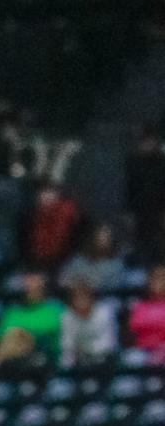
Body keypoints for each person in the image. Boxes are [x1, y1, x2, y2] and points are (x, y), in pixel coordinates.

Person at [0, 271, 63, 366]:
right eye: (27, 282)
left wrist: (25, 336)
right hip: (13, 363)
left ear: (44, 284)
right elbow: (3, 340)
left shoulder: (55, 308)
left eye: (34, 282)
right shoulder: (12, 312)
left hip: (48, 360)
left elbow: (54, 334)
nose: (30, 287)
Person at [124, 128, 165, 262]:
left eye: (150, 142)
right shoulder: (133, 162)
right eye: (144, 142)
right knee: (140, 239)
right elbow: (130, 188)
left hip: (158, 210)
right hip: (139, 210)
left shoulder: (161, 162)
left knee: (156, 239)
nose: (146, 145)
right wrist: (128, 211)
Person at [59, 220, 128, 297]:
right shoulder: (78, 261)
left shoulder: (116, 264)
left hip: (105, 301)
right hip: (77, 299)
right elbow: (63, 281)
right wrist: (79, 286)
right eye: (100, 237)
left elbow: (116, 287)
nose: (102, 241)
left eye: (106, 238)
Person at [23, 180, 80, 272]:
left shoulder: (64, 212)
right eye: (42, 193)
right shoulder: (37, 213)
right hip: (37, 259)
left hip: (56, 262)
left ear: (56, 194)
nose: (44, 196)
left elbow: (58, 239)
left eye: (49, 192)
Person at [60, 281, 117, 367]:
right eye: (77, 298)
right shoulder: (67, 316)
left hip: (104, 360)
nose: (81, 301)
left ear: (92, 298)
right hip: (78, 361)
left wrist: (86, 349)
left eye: (84, 297)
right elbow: (66, 344)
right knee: (65, 361)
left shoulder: (105, 313)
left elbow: (109, 344)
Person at [127, 264, 165, 358]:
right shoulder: (138, 306)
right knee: (131, 358)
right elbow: (132, 331)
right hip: (142, 350)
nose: (156, 281)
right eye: (153, 277)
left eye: (161, 278)